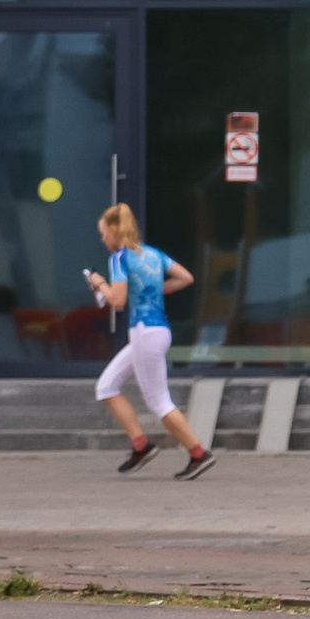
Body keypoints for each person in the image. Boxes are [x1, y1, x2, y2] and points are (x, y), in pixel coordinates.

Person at [81, 203, 214, 481]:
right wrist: (155, 289)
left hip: (144, 332)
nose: (103, 239)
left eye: (104, 233)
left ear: (115, 231)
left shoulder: (120, 258)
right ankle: (141, 446)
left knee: (159, 402)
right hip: (158, 331)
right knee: (106, 386)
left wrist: (98, 283)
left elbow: (116, 301)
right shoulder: (154, 254)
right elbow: (186, 278)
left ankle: (199, 454)